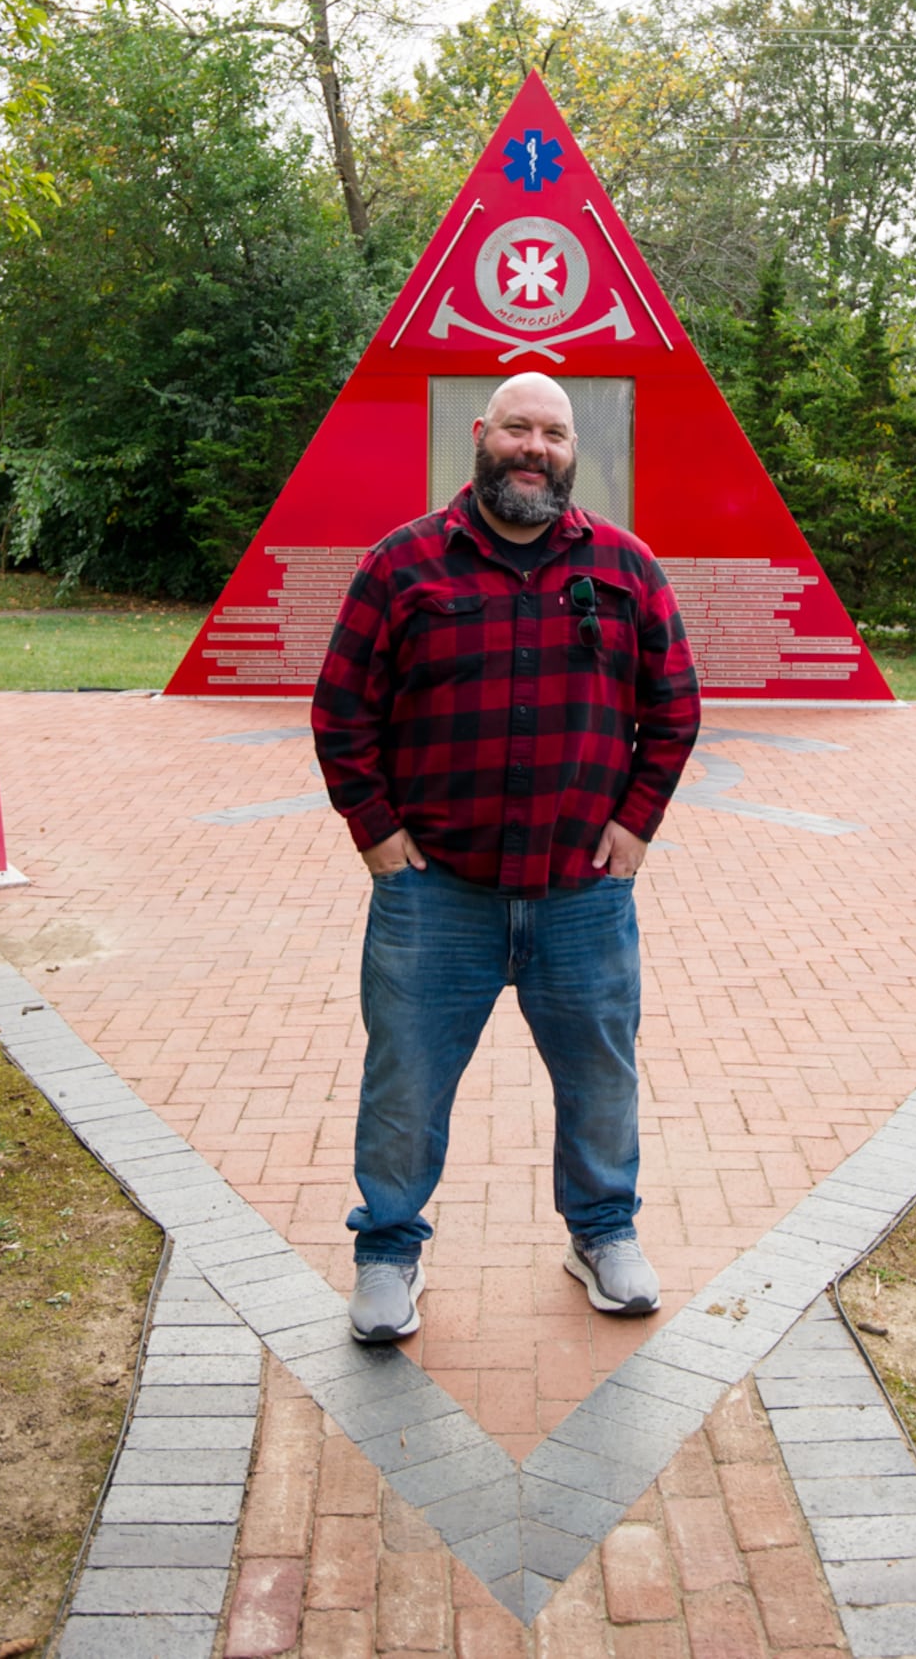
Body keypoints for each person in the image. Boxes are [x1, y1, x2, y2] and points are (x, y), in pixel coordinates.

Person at [311, 371, 701, 1342]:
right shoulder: (400, 567)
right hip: (434, 893)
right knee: (404, 1081)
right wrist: (377, 835)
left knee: (601, 1078)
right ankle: (389, 1252)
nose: (535, 447)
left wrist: (636, 825)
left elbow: (677, 706)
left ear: (573, 452)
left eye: (554, 434)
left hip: (581, 893)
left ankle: (603, 1236)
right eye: (518, 428)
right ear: (481, 435)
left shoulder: (626, 568)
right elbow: (341, 710)